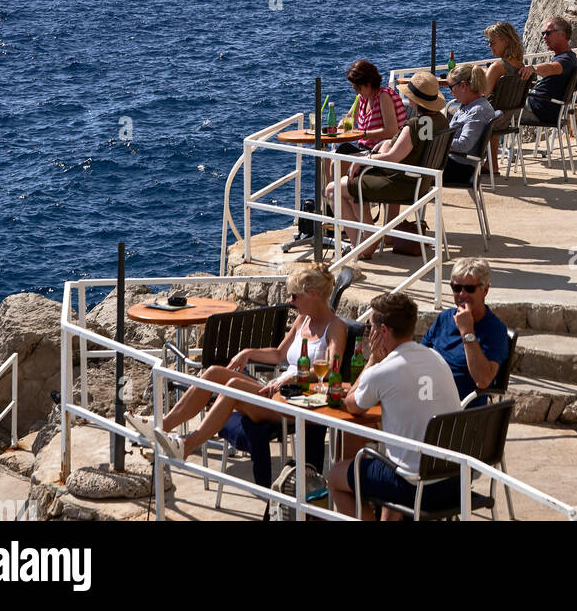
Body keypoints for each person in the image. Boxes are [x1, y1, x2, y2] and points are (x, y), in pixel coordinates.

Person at [128, 264, 347, 476]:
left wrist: (291, 379)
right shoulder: (303, 319)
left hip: (297, 401)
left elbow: (330, 368)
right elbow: (279, 355)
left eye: (295, 296)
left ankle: (186, 446)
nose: (291, 301)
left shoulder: (335, 327)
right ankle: (161, 425)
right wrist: (248, 352)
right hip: (277, 390)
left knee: (233, 386)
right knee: (214, 372)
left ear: (315, 294)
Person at [328, 292, 462, 520]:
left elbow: (351, 403)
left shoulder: (382, 371)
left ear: (383, 331)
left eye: (371, 328)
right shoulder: (436, 358)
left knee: (335, 476)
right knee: (393, 461)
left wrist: (372, 360)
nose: (369, 333)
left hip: (414, 485)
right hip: (453, 481)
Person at [326, 71, 447, 257]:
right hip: (420, 182)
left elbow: (392, 158)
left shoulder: (415, 124)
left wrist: (363, 160)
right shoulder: (439, 121)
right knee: (350, 187)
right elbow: (414, 149)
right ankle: (367, 238)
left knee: (333, 189)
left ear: (414, 99)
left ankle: (364, 246)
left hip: (400, 183)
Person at [420, 259, 509, 407]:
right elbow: (420, 356)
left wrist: (467, 332)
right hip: (428, 398)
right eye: (456, 287)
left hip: (461, 411)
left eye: (469, 288)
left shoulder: (495, 330)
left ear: (485, 290)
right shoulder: (444, 318)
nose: (462, 294)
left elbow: (483, 380)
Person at [443, 63, 500, 186]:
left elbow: (463, 145)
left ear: (463, 85)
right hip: (455, 163)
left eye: (451, 87)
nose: (451, 92)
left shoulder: (477, 112)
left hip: (460, 169)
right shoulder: (470, 105)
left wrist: (439, 142)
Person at [518, 17, 577, 126]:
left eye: (548, 33)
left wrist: (532, 68)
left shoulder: (565, 60)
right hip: (539, 105)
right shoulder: (566, 56)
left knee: (496, 109)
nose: (544, 37)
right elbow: (554, 85)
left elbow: (553, 68)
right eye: (543, 33)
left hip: (538, 110)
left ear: (563, 35)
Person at [482, 22, 525, 176]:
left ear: (506, 41)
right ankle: (491, 164)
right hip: (506, 117)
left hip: (491, 120)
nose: (489, 45)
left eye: (492, 42)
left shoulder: (498, 67)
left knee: (452, 112)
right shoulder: (520, 65)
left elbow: (483, 94)